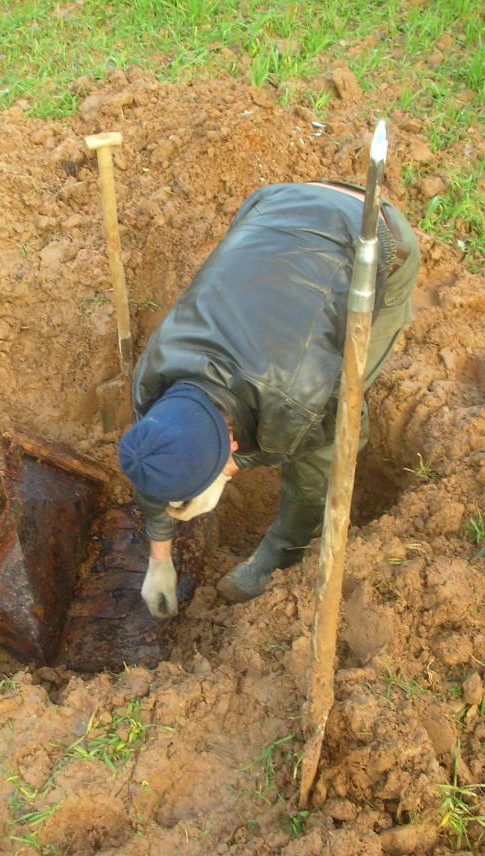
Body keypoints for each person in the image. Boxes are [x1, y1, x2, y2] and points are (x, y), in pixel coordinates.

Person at [117, 180, 420, 618]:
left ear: (232, 445)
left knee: (338, 420)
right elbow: (154, 457)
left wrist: (233, 467)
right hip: (276, 204)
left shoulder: (298, 399)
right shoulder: (153, 377)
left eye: (227, 462)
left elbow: (300, 454)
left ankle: (286, 548)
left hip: (373, 236)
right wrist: (158, 557)